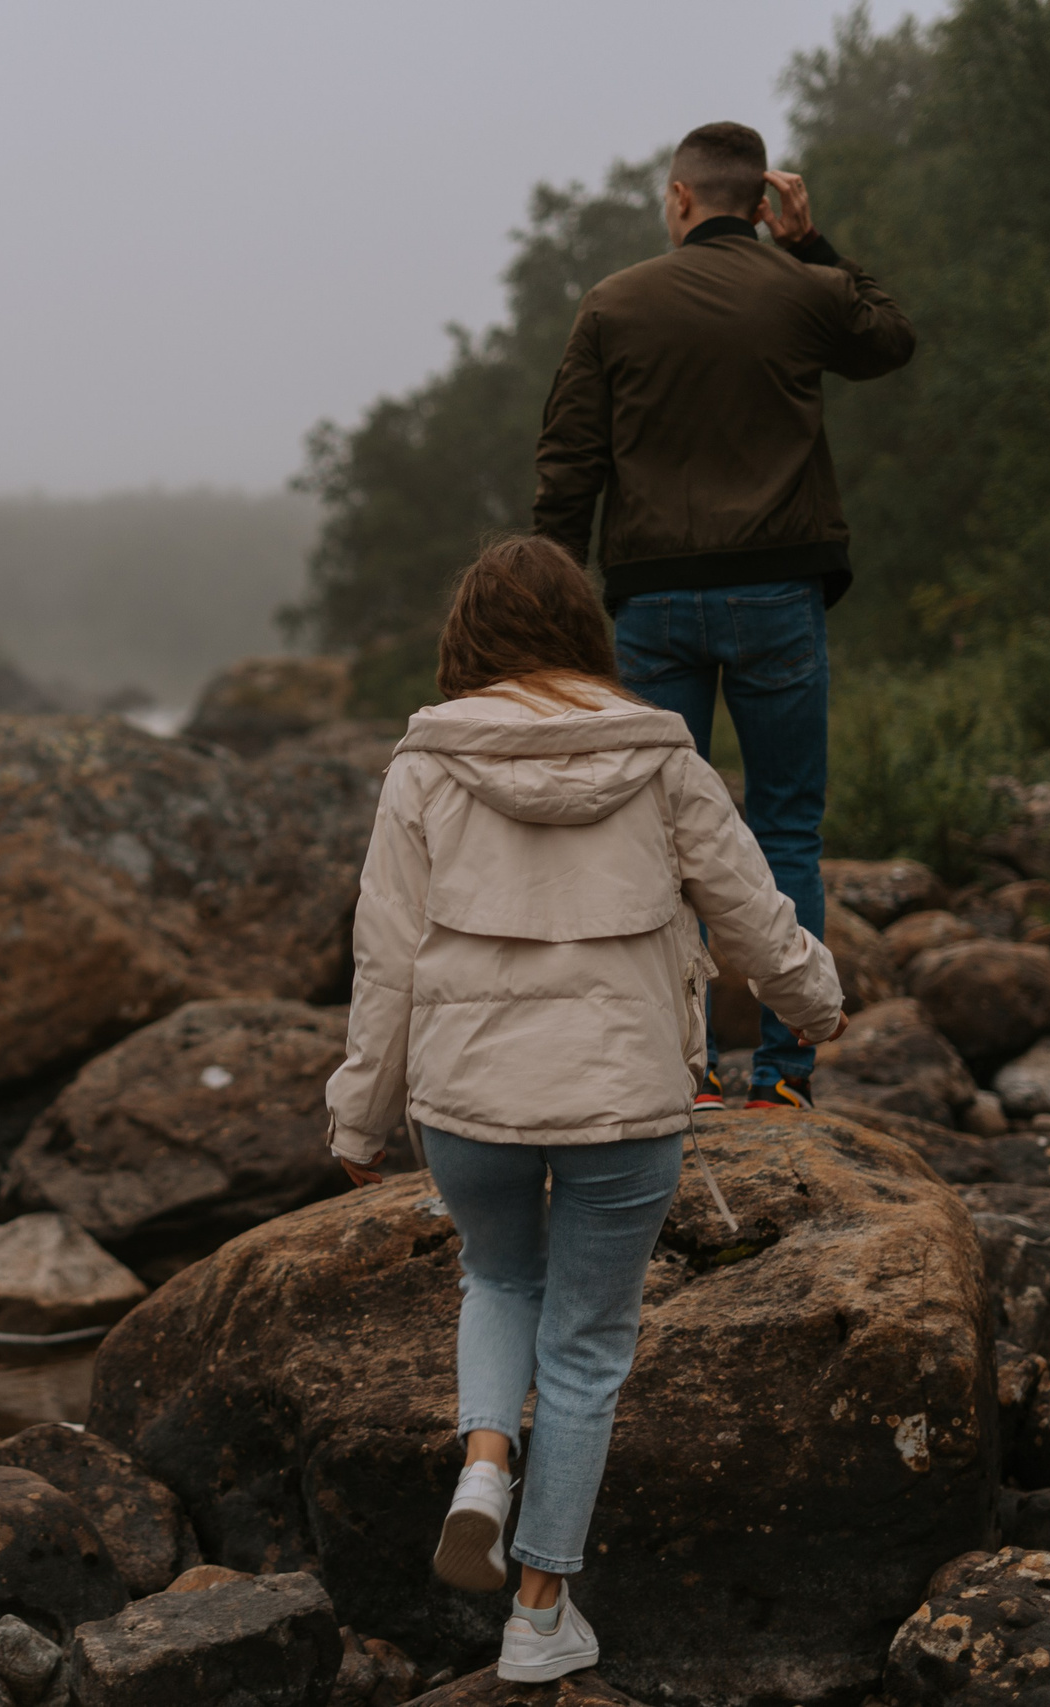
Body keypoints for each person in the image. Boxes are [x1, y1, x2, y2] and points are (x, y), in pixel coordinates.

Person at [324, 534, 843, 1684]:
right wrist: (818, 1002)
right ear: (584, 634)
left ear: (468, 641)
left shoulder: (423, 766)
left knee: (499, 1276)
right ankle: (542, 1609)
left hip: (468, 1096)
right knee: (588, 1347)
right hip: (622, 1101)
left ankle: (481, 1463)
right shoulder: (663, 759)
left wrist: (358, 1119)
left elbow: (385, 962)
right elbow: (752, 915)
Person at [530, 120, 912, 1110]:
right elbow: (888, 340)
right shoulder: (800, 289)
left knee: (659, 843)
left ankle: (685, 1074)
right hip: (778, 596)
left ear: (681, 198)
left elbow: (570, 464)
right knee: (784, 826)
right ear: (760, 202)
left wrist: (553, 605)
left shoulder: (614, 303)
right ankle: (784, 1078)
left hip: (653, 602)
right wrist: (813, 243)